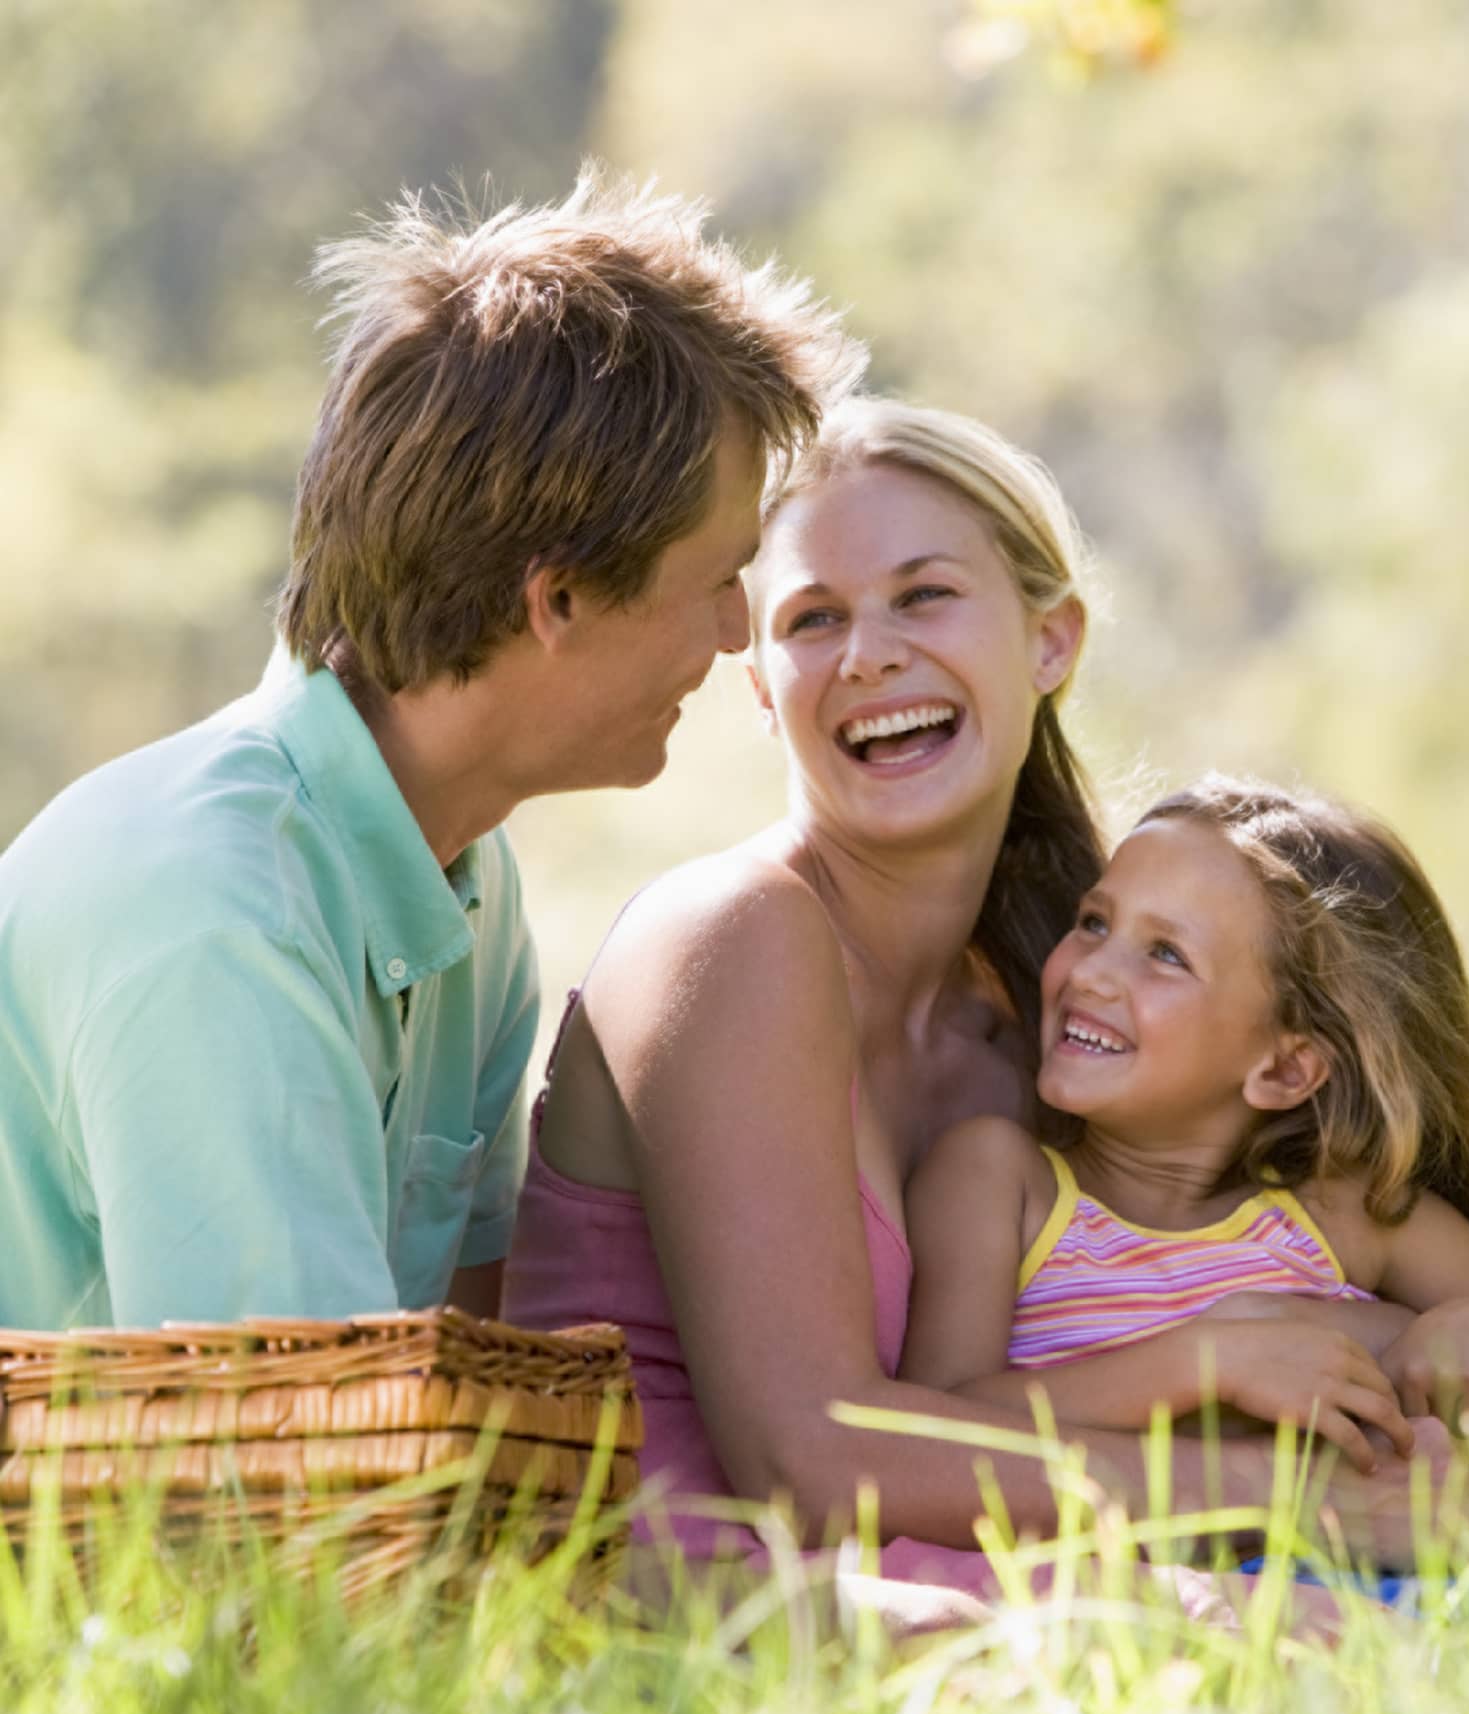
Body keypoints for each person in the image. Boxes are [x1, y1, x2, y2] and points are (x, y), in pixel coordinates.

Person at [504, 400, 1457, 1602]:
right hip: (694, 1597)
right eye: (813, 620)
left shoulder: (1058, 1005)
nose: (869, 654)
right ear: (761, 687)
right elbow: (811, 1455)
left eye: (923, 595)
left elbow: (1274, 1265)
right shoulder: (735, 935)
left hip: (955, 1577)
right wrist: (1283, 1497)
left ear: (1051, 641)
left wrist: (1395, 1404)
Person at [0, 169, 861, 1330]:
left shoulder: (469, 879)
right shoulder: (215, 915)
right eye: (716, 581)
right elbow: (275, 1466)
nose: (729, 636)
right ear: (558, 599)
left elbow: (454, 1374)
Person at [901, 776, 1469, 1471]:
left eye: (1166, 955)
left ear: (1285, 1069)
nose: (1092, 973)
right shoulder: (1000, 1181)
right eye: (1094, 923)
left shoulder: (1346, 1213)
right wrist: (1207, 1362)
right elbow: (929, 1425)